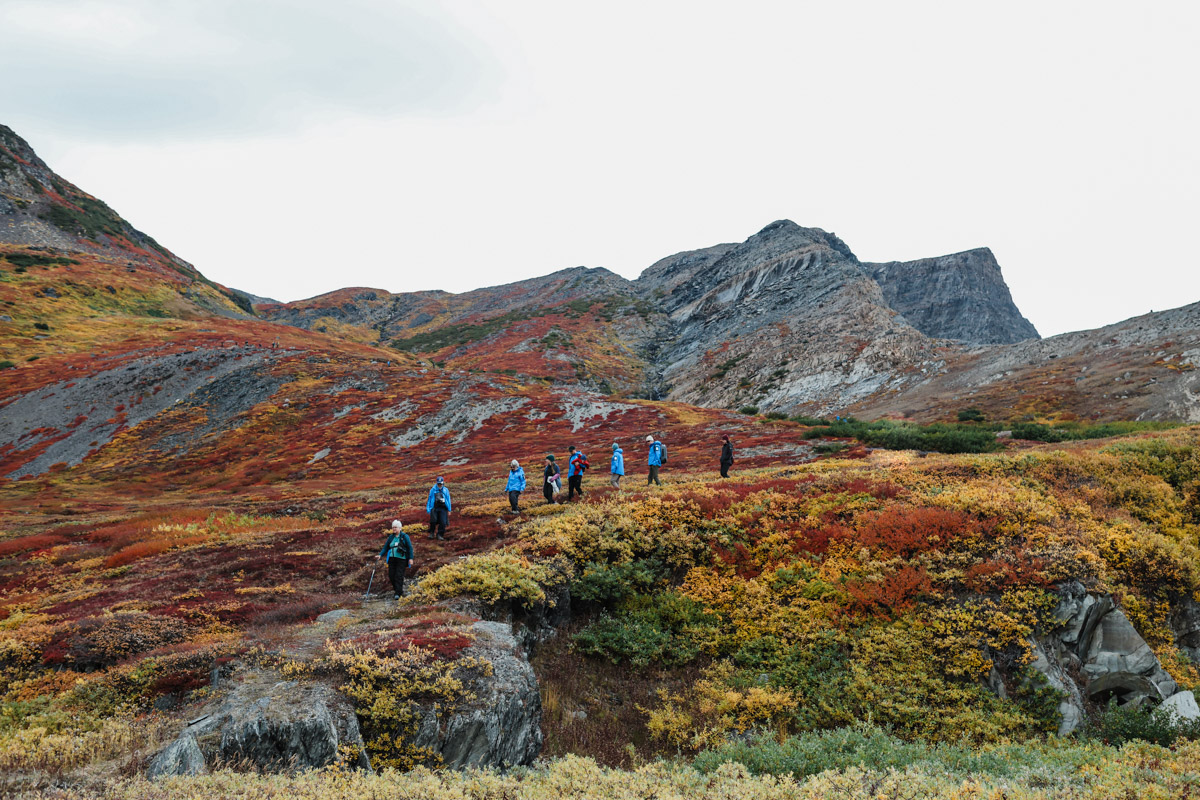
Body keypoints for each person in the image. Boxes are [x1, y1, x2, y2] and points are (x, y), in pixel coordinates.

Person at [377, 520, 414, 599]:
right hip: (392, 559)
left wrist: (411, 558)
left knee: (398, 575)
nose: (394, 529)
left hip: (401, 559)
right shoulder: (391, 537)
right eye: (393, 527)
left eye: (395, 527)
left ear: (400, 528)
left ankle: (398, 593)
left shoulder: (404, 536)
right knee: (391, 575)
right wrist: (380, 555)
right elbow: (386, 547)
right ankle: (397, 590)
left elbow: (410, 548)